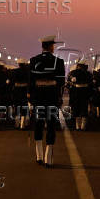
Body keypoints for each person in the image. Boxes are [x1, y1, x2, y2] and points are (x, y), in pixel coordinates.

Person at [29, 35, 65, 168]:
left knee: (38, 125)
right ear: (51, 47)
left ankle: (38, 155)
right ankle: (48, 158)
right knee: (50, 126)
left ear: (42, 46)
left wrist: (30, 99)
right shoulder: (59, 62)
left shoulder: (34, 60)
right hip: (52, 97)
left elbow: (31, 82)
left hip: (38, 97)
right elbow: (61, 82)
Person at [67, 60, 93, 131]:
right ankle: (83, 126)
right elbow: (91, 84)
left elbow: (69, 83)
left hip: (76, 92)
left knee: (76, 108)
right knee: (84, 109)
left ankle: (77, 126)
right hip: (85, 92)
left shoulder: (72, 73)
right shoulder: (88, 74)